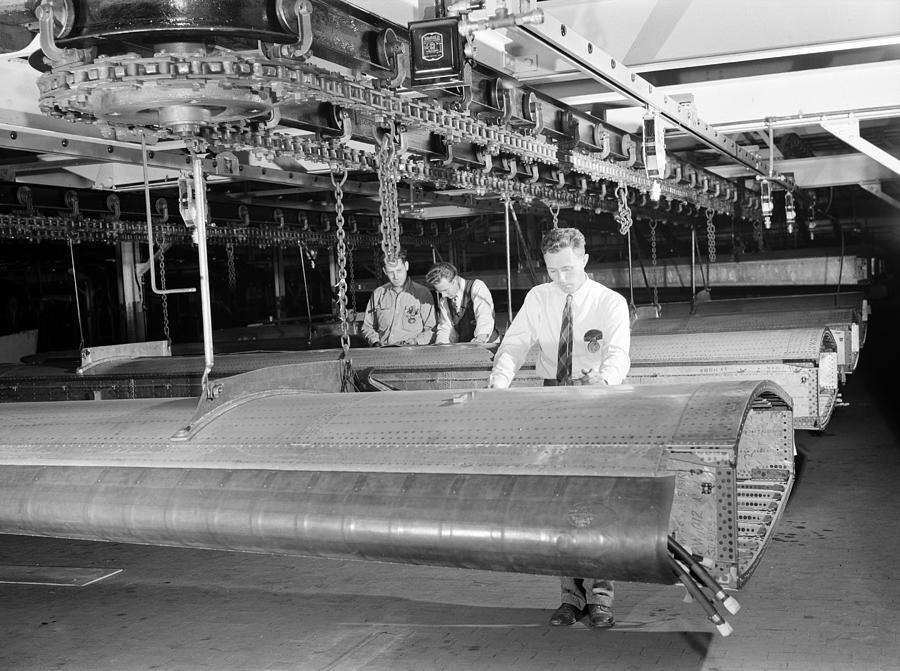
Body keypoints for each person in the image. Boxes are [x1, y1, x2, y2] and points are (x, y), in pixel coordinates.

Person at [488, 226, 630, 629]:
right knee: (558, 502)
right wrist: (499, 383)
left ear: (584, 259)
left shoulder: (609, 303)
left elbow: (619, 353)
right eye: (552, 271)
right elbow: (514, 344)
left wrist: (603, 380)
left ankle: (601, 599)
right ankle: (570, 597)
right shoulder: (538, 298)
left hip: (596, 400)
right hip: (551, 399)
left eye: (568, 269)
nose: (561, 279)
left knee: (596, 502)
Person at [361, 248, 436, 346]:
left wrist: (416, 341)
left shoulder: (422, 294)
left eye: (399, 270)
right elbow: (367, 327)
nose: (396, 276)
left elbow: (432, 329)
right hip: (383, 353)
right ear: (384, 271)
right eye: (391, 272)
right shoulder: (378, 294)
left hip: (413, 354)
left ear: (406, 266)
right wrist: (375, 341)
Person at [425, 261, 498, 344]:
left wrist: (480, 338)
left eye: (445, 290)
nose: (443, 295)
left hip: (488, 345)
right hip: (465, 347)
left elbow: (484, 316)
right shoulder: (444, 301)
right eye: (439, 291)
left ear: (455, 281)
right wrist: (441, 344)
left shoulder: (477, 287)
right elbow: (446, 328)